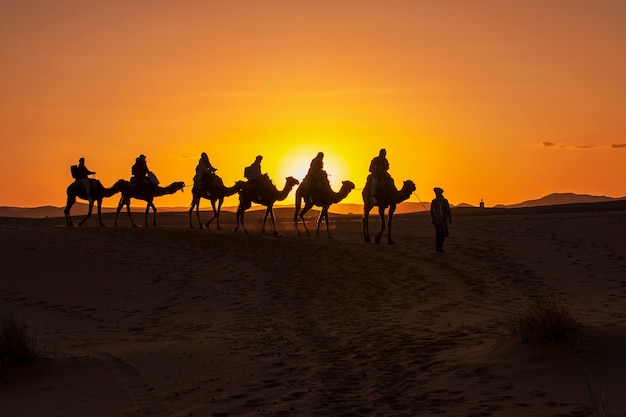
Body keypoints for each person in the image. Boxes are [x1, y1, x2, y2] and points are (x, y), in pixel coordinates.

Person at [430, 187, 452, 252]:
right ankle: (438, 248)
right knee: (438, 233)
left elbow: (448, 211)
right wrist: (433, 219)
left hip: (444, 220)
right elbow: (431, 211)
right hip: (437, 220)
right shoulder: (434, 201)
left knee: (444, 234)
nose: (436, 195)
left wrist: (450, 219)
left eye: (437, 193)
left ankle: (440, 247)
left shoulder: (445, 201)